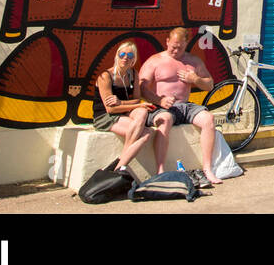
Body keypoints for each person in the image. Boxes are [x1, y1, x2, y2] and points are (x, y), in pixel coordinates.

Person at [140, 27, 222, 185]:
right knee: (165, 121)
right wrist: (159, 100)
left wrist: (195, 79)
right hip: (161, 107)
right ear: (167, 41)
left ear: (186, 44)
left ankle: (207, 169)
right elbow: (142, 88)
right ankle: (160, 170)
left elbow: (209, 84)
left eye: (180, 47)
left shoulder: (193, 61)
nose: (176, 50)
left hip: (185, 106)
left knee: (208, 119)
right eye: (173, 46)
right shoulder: (155, 60)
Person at [92, 41, 157, 171]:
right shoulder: (105, 76)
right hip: (106, 117)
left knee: (142, 112)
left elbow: (137, 100)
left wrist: (122, 103)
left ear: (134, 59)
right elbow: (111, 108)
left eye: (130, 55)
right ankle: (121, 166)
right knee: (147, 133)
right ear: (117, 55)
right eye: (122, 54)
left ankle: (121, 161)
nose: (125, 58)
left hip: (123, 112)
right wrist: (135, 105)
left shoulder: (133, 74)